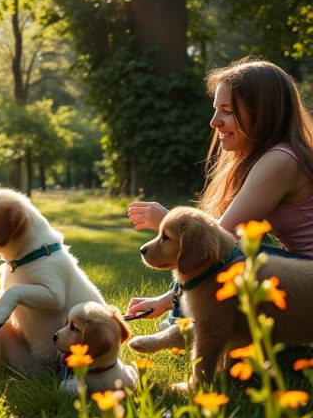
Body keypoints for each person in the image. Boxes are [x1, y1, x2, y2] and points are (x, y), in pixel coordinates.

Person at [125, 57, 313, 331]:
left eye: (226, 111)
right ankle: (188, 318)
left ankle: (188, 323)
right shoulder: (271, 157)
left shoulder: (280, 161)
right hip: (303, 276)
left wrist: (170, 222)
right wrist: (167, 298)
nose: (214, 122)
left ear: (261, 112)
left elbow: (217, 241)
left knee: (241, 260)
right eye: (216, 110)